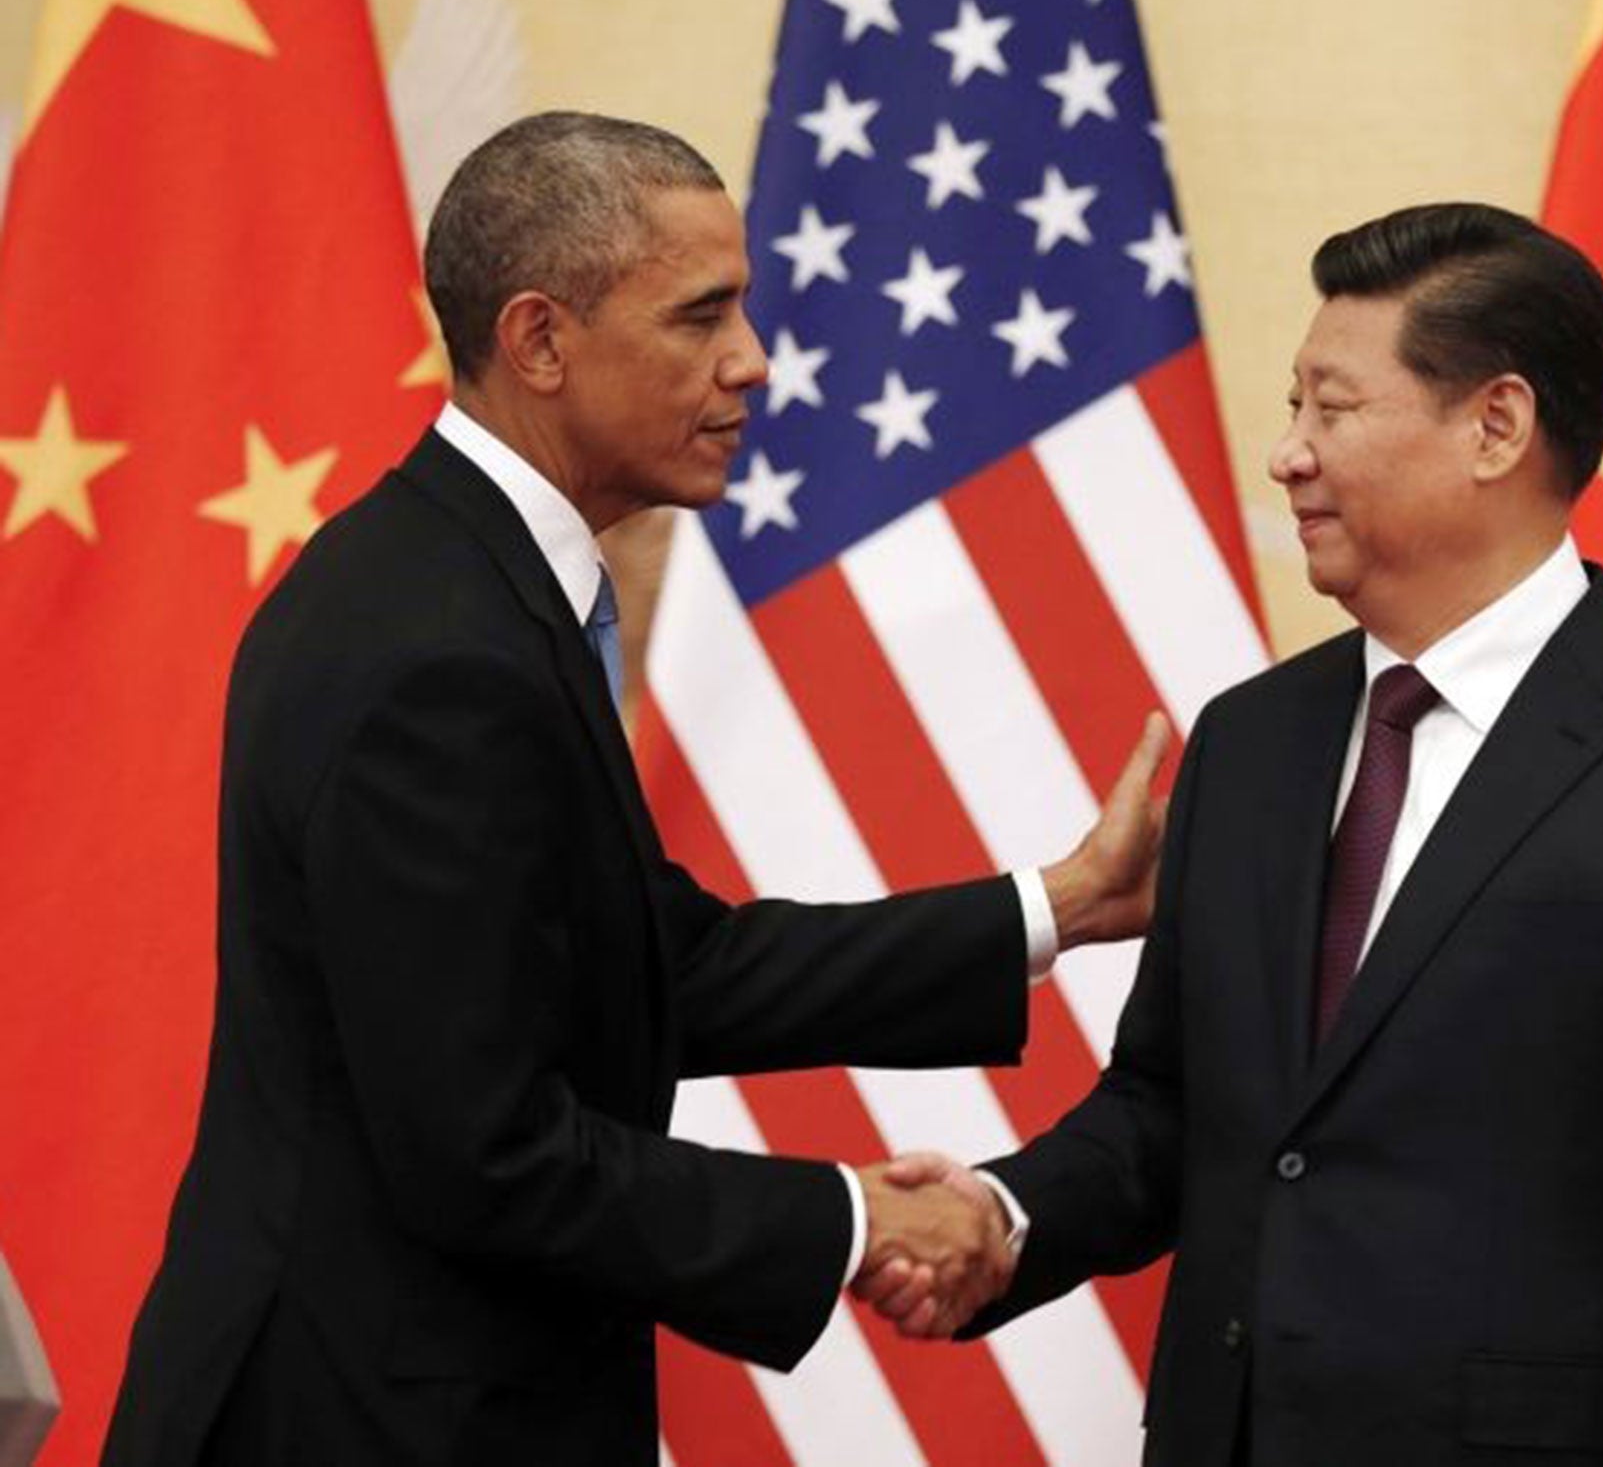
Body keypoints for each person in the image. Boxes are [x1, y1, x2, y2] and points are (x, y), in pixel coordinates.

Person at [101, 111, 1166, 1467]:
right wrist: (853, 1218)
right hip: (364, 1417)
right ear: (541, 340)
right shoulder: (435, 649)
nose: (753, 363)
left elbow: (669, 967)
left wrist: (1060, 907)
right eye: (700, 317)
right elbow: (482, 1154)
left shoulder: (473, 586)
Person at [866, 203, 1603, 1466]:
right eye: (1292, 409)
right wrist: (1003, 1213)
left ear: (1493, 426)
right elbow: (1175, 1106)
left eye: (1328, 411)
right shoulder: (1248, 742)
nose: (1285, 454)